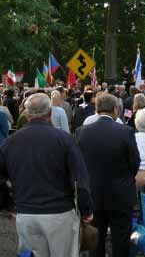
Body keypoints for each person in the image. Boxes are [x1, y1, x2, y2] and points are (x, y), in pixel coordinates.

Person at [0, 93, 93, 257]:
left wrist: (9, 204)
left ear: (27, 114)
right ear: (50, 113)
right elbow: (79, 179)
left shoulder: (9, 143)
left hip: (26, 213)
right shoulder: (64, 140)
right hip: (59, 214)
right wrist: (86, 210)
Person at [75, 92, 141, 257]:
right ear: (115, 110)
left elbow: (77, 165)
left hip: (94, 193)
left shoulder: (82, 132)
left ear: (96, 110)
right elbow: (135, 162)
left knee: (97, 239)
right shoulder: (126, 132)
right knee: (121, 238)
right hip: (120, 193)